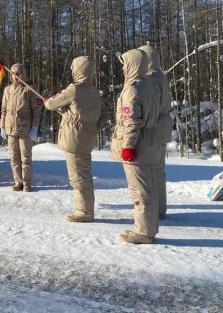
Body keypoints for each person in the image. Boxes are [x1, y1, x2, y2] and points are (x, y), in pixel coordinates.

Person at [44, 56, 109, 222]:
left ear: (78, 69)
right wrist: (93, 127)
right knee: (84, 174)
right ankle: (86, 208)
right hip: (86, 138)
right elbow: (104, 114)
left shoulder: (74, 88)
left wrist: (47, 102)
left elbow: (51, 104)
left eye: (74, 68)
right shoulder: (94, 90)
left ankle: (85, 211)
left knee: (78, 177)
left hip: (73, 138)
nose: (72, 71)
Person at [111, 48, 160, 244]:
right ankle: (146, 227)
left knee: (140, 191)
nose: (123, 68)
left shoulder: (132, 89)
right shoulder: (148, 84)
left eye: (124, 64)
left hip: (137, 145)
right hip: (149, 142)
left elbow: (131, 121)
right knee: (148, 188)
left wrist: (128, 146)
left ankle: (144, 232)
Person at [139, 44, 173, 220]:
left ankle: (157, 210)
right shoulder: (160, 75)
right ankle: (160, 208)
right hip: (163, 126)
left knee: (153, 170)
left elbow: (149, 105)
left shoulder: (152, 78)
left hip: (155, 127)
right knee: (158, 170)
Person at [0, 63, 43, 192]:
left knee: (25, 157)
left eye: (18, 74)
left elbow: (36, 111)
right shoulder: (7, 90)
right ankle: (18, 182)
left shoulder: (29, 89)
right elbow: (3, 109)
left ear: (22, 74)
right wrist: (2, 126)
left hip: (25, 129)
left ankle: (27, 183)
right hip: (11, 129)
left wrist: (34, 127)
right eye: (13, 74)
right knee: (14, 157)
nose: (15, 77)